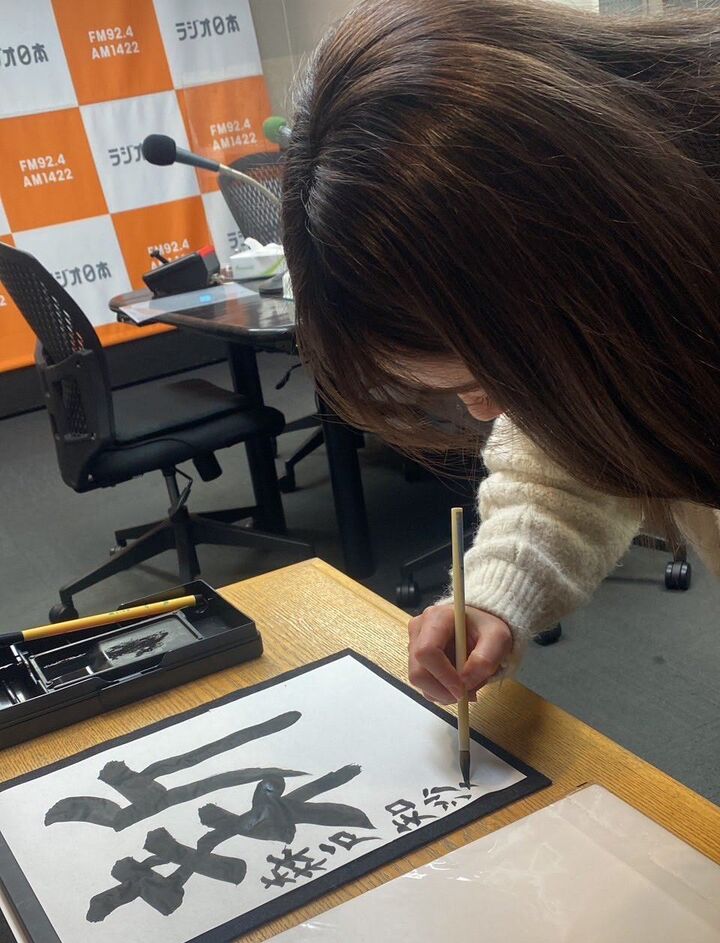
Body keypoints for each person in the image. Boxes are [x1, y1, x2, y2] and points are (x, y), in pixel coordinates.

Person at [281, 0, 720, 704]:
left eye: (495, 378)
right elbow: (572, 456)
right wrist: (497, 593)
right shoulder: (615, 319)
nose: (489, 413)